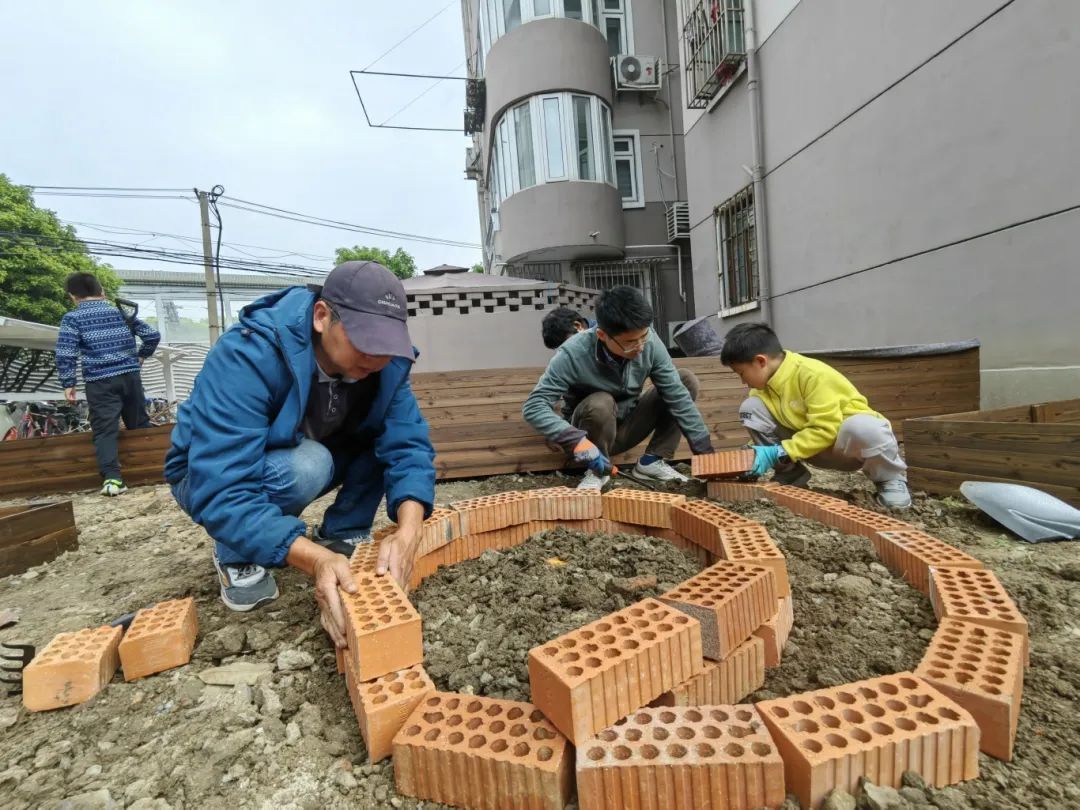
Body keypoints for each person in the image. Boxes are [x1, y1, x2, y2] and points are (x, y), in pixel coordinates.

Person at [165, 261, 436, 648]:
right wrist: (315, 561)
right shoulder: (250, 353)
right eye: (366, 340)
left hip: (306, 448)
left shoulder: (385, 366)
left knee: (377, 434)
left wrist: (410, 530)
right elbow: (223, 486)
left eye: (387, 343)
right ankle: (236, 552)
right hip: (207, 474)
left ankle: (342, 533)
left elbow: (407, 444)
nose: (378, 357)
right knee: (308, 466)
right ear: (322, 317)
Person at [522, 285, 713, 490]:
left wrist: (705, 451)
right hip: (589, 440)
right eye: (630, 342)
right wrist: (574, 439)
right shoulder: (572, 353)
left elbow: (677, 395)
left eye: (643, 337)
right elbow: (534, 406)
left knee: (685, 380)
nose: (640, 347)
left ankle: (651, 462)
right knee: (600, 402)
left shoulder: (649, 342)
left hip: (628, 428)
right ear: (602, 335)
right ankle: (597, 472)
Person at [720, 322, 911, 509]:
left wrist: (778, 452)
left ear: (761, 361)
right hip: (809, 450)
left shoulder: (812, 374)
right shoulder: (761, 390)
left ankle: (889, 479)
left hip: (846, 448)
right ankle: (791, 474)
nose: (742, 381)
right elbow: (771, 428)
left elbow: (826, 429)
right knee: (750, 407)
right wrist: (753, 453)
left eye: (741, 373)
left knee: (866, 428)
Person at [54, 272, 160, 496]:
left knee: (105, 431)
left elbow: (66, 353)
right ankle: (155, 470)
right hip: (130, 377)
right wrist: (141, 356)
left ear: (72, 296)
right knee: (139, 424)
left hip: (99, 381)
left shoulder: (73, 318)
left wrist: (68, 383)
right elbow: (152, 335)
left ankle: (113, 479)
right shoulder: (121, 312)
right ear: (101, 291)